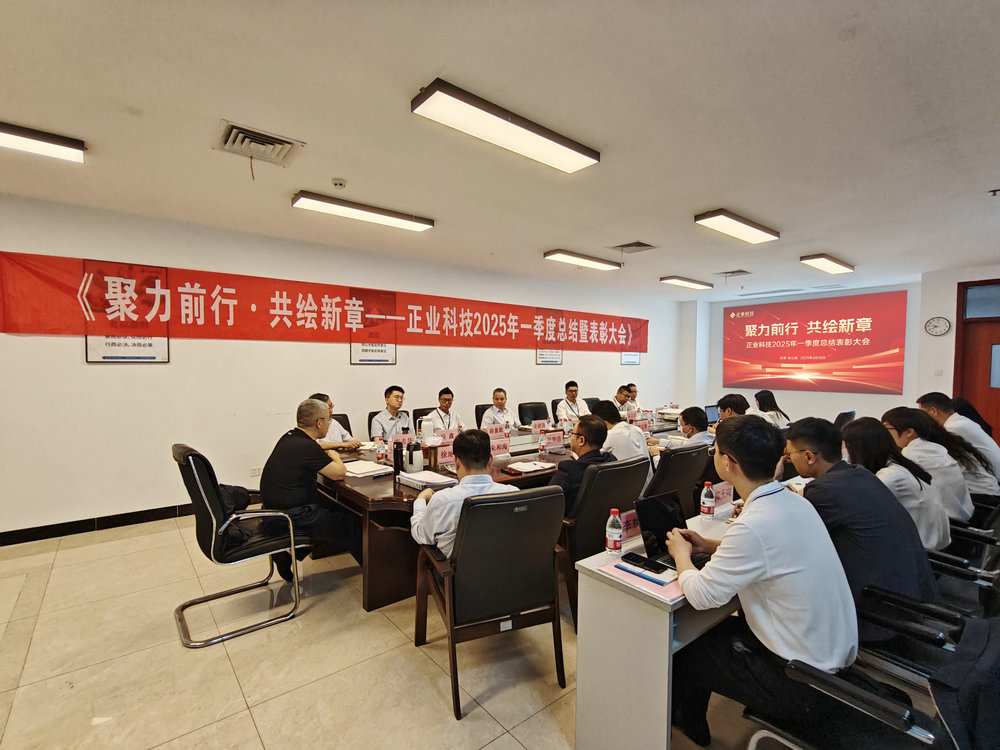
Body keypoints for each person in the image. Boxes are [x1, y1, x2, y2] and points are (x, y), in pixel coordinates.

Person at [665, 415, 857, 747]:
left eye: (715, 451)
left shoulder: (753, 524)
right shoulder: (795, 501)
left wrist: (681, 556)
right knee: (713, 631)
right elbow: (769, 550)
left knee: (686, 645)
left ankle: (689, 722)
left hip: (799, 682)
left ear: (728, 462)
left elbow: (702, 595)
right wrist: (710, 546)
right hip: (830, 660)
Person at [784, 417, 939, 642]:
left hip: (878, 610)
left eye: (789, 455)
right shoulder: (860, 474)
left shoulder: (824, 490)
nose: (788, 460)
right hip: (911, 594)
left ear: (809, 456)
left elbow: (790, 543)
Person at [260, 399, 363, 581]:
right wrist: (335, 456)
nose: (329, 424)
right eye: (328, 420)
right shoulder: (306, 446)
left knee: (341, 507)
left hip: (276, 509)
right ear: (319, 423)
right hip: (293, 514)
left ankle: (286, 554)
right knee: (353, 523)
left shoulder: (290, 437)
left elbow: (315, 454)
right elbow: (339, 473)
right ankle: (377, 576)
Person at [842, 418, 950, 551]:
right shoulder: (897, 464)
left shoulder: (891, 476)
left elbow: (853, 504)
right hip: (930, 542)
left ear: (859, 448)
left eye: (847, 447)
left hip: (924, 550)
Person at [409, 429, 510, 557]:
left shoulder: (442, 500)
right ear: (490, 460)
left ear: (456, 462)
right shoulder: (512, 494)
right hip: (505, 567)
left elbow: (421, 535)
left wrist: (420, 501)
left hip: (456, 570)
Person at [881, 408, 979, 520]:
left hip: (949, 522)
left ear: (909, 432)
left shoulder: (911, 454)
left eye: (887, 429)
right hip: (964, 515)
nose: (884, 434)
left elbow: (885, 485)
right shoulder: (935, 448)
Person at [917, 391, 1000, 484]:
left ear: (934, 411)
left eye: (922, 413)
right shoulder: (961, 421)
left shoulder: (953, 428)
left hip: (993, 479)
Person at [548, 414, 614, 515]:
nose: (571, 437)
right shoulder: (610, 459)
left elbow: (548, 502)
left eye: (572, 433)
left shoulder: (568, 470)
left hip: (568, 523)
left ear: (581, 440)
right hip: (603, 519)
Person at [591, 400, 652, 486]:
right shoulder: (637, 430)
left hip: (626, 489)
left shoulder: (610, 435)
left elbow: (591, 457)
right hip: (647, 487)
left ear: (602, 422)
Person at [648, 406, 715, 465]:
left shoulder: (689, 450)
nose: (681, 428)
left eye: (682, 425)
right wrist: (658, 441)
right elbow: (683, 443)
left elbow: (664, 470)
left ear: (690, 428)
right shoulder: (712, 439)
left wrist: (655, 455)